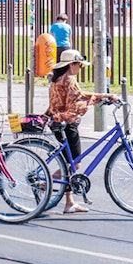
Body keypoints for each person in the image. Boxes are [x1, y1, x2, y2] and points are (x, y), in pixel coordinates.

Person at [45, 50, 118, 214]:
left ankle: (69, 202)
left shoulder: (57, 79)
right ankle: (48, 180)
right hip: (66, 124)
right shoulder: (69, 79)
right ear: (71, 65)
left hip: (57, 122)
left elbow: (79, 95)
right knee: (74, 163)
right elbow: (79, 99)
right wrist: (104, 97)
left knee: (69, 164)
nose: (80, 68)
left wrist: (101, 96)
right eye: (79, 65)